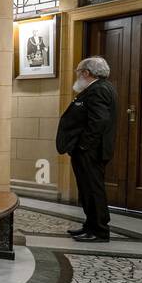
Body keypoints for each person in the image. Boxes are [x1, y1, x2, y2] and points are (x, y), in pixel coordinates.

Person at [55, 56, 118, 242]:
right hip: (88, 150)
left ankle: (99, 230)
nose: (77, 76)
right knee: (86, 189)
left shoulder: (99, 90)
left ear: (86, 73)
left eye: (78, 72)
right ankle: (90, 225)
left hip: (91, 151)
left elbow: (99, 121)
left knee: (93, 189)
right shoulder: (96, 89)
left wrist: (83, 145)